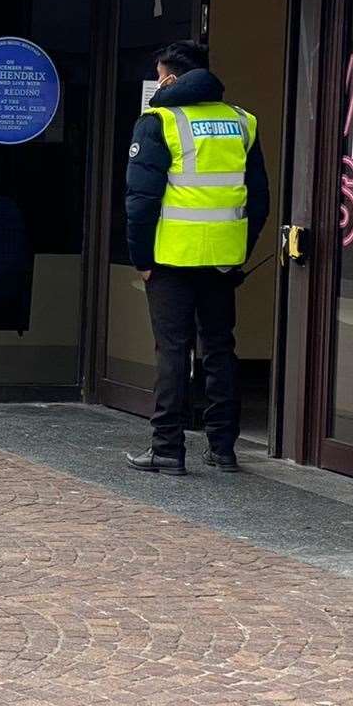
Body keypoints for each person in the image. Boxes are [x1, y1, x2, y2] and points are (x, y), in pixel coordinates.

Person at [125, 40, 270, 476]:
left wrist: (141, 258)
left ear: (170, 77)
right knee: (220, 348)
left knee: (173, 349)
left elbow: (140, 200)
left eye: (159, 75)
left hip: (171, 258)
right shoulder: (242, 121)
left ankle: (167, 447)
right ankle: (223, 448)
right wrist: (240, 248)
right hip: (222, 258)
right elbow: (258, 198)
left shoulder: (160, 121)